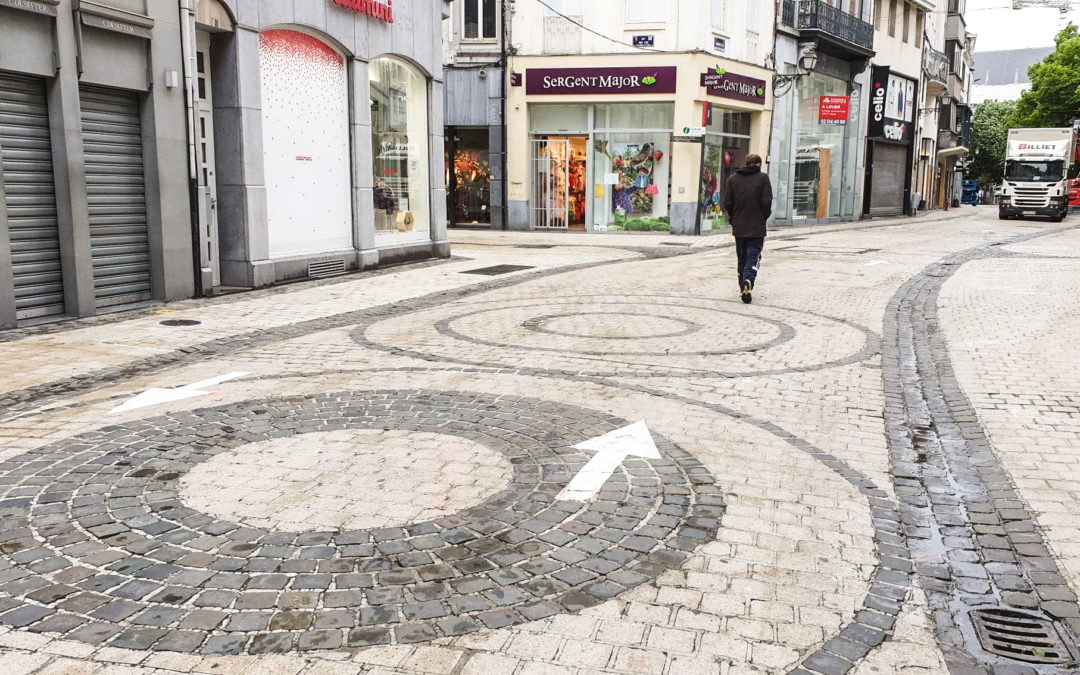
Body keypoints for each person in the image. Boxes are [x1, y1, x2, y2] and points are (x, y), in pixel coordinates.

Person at [722, 154, 773, 304]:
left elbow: (727, 202)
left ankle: (742, 286)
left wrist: (733, 217)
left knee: (742, 257)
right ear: (758, 164)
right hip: (756, 225)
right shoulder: (763, 178)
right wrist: (763, 216)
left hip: (739, 225)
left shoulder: (733, 179)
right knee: (753, 255)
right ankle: (748, 280)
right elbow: (767, 201)